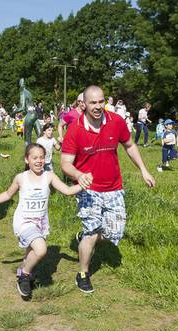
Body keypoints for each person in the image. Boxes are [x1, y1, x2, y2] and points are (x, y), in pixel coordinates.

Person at [61, 85, 155, 294]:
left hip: (114, 188)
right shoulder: (75, 129)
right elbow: (65, 163)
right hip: (89, 190)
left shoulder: (116, 121)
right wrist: (78, 176)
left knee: (114, 233)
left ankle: (83, 237)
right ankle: (83, 273)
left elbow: (129, 145)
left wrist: (143, 170)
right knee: (92, 233)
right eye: (93, 102)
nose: (98, 106)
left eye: (101, 101)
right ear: (83, 104)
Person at [0, 144, 84, 298]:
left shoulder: (49, 176)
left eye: (42, 157)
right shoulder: (21, 178)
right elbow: (7, 194)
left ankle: (23, 269)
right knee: (41, 249)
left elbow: (67, 191)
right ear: (27, 160)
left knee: (30, 253)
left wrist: (84, 184)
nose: (39, 161)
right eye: (34, 158)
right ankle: (24, 276)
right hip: (24, 222)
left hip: (40, 222)